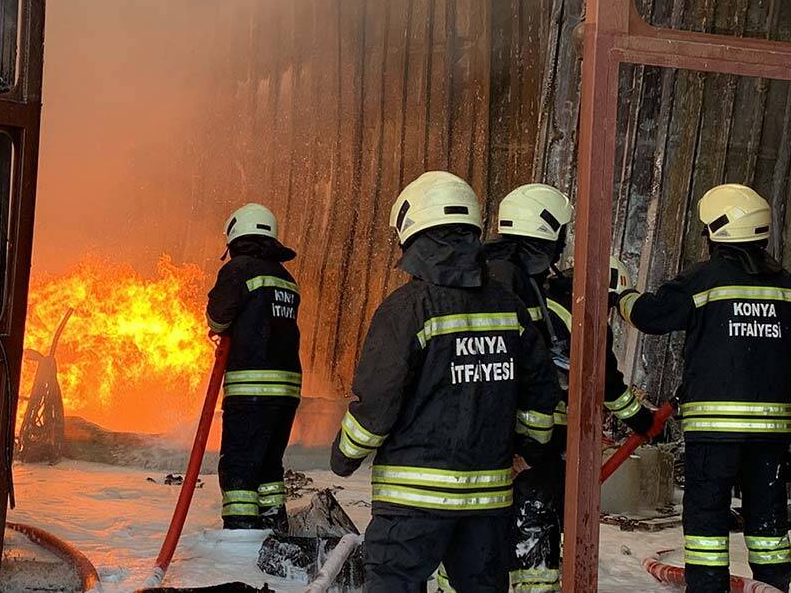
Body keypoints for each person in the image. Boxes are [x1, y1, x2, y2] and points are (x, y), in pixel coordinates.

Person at [330, 171, 560, 592]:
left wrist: (345, 455)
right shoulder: (510, 308)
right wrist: (529, 447)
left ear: (413, 236)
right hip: (487, 504)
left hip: (411, 503)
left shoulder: (406, 309)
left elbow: (377, 402)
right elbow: (540, 391)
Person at [616, 183, 791, 593]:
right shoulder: (786, 285)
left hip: (715, 433)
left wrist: (621, 295)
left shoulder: (704, 280)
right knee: (769, 521)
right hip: (772, 435)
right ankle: (774, 587)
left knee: (707, 520)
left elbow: (652, 316)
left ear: (717, 231)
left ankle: (708, 588)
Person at [484, 184, 657, 592]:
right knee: (535, 526)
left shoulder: (500, 279)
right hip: (538, 438)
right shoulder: (567, 306)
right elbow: (602, 380)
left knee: (482, 539)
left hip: (488, 435)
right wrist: (641, 419)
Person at [206, 203, 302, 531]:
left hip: (251, 388)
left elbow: (218, 318)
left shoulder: (238, 269)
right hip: (287, 390)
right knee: (269, 463)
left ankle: (240, 533)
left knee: (239, 464)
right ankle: (275, 527)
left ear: (235, 237)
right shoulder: (286, 278)